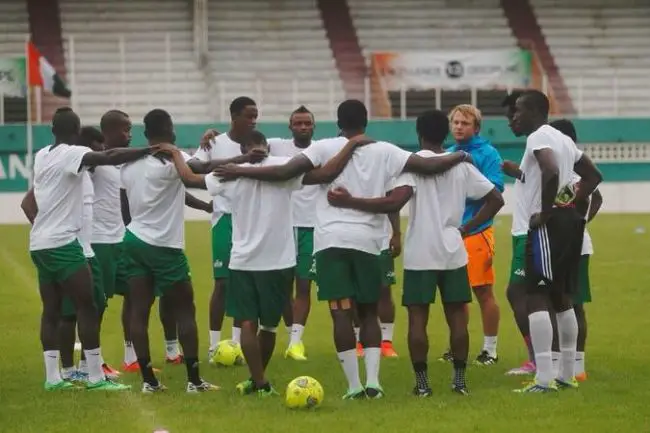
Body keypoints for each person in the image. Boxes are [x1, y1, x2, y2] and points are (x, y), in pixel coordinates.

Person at [213, 99, 472, 399]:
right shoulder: (384, 149)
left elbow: (286, 172)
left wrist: (240, 171)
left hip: (331, 241)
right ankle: (373, 382)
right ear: (365, 122)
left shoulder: (323, 147)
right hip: (369, 242)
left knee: (340, 313)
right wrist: (462, 153)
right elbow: (429, 165)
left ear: (338, 122)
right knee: (369, 312)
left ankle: (353, 386)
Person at [165, 129, 372, 395]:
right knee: (269, 327)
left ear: (243, 149)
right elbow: (325, 174)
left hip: (242, 259)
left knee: (248, 323)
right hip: (278, 260)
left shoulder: (229, 172)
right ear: (267, 147)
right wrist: (350, 146)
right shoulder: (281, 167)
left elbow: (190, 178)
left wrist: (174, 153)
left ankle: (258, 380)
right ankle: (259, 381)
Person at [327, 110, 504, 396]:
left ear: (418, 133)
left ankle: (422, 385)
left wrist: (350, 201)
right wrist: (465, 228)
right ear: (445, 133)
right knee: (458, 316)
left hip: (421, 251)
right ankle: (459, 382)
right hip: (453, 250)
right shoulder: (461, 165)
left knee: (417, 319)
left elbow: (393, 203)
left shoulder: (410, 168)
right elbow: (496, 198)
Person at [26, 107, 156, 391]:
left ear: (52, 130)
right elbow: (107, 156)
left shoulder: (42, 154)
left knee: (52, 310)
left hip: (39, 243)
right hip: (64, 243)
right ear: (75, 133)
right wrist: (149, 150)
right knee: (88, 305)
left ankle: (53, 378)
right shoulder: (71, 153)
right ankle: (95, 377)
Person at [506, 90, 602, 392]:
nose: (513, 117)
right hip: (568, 224)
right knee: (562, 298)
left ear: (535, 110)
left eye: (518, 111)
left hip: (546, 227)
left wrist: (546, 212)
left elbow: (550, 170)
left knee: (535, 296)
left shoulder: (539, 137)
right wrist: (565, 202)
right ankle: (566, 374)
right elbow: (593, 176)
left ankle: (544, 379)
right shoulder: (564, 140)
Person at [120, 109, 217, 393]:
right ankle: (194, 381)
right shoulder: (175, 159)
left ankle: (149, 382)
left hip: (134, 239)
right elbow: (196, 171)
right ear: (169, 129)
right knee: (185, 310)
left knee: (139, 311)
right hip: (164, 246)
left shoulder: (130, 164)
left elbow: (161, 188)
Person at [188, 96, 260, 359]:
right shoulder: (215, 143)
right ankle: (214, 345)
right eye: (248, 116)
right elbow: (193, 165)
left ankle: (238, 344)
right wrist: (228, 161)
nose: (253, 121)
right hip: (224, 218)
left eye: (256, 116)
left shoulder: (261, 143)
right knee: (222, 283)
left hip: (252, 219)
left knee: (245, 283)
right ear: (234, 117)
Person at [440, 104, 504, 366]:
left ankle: (490, 349)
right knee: (456, 294)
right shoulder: (449, 153)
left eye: (464, 123)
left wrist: (469, 171)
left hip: (476, 231)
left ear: (476, 127)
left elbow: (496, 189)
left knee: (483, 292)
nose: (458, 127)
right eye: (455, 122)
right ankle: (458, 346)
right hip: (452, 233)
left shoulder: (488, 153)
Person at [545, 119, 602, 382]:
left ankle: (577, 365)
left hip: (575, 247)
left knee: (573, 304)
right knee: (561, 304)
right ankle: (566, 363)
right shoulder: (568, 169)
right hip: (562, 243)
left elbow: (594, 195)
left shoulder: (574, 172)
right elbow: (598, 196)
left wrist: (579, 220)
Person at [267, 105, 320, 361]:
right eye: (298, 123)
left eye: (307, 123)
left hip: (311, 226)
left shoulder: (322, 151)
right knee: (281, 286)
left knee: (303, 285)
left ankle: (296, 343)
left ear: (313, 126)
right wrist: (212, 138)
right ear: (290, 127)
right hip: (282, 226)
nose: (302, 127)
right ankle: (291, 336)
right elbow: (244, 144)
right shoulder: (276, 146)